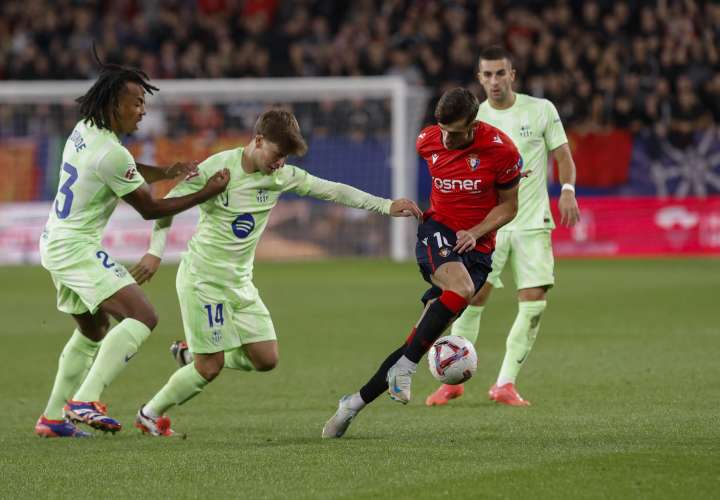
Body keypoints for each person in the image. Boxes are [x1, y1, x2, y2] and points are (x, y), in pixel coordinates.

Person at [129, 108, 423, 436]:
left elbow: (333, 190)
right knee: (209, 367)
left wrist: (385, 205)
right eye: (276, 154)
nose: (279, 163)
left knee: (266, 359)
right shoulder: (216, 167)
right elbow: (166, 207)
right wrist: (155, 253)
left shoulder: (282, 177)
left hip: (239, 282)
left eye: (284, 158)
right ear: (257, 140)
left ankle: (191, 352)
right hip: (203, 280)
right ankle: (149, 413)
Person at [34, 52, 230, 438]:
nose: (142, 110)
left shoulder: (86, 131)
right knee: (144, 317)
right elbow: (150, 207)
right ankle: (85, 399)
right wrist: (208, 191)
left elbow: (125, 171)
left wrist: (165, 172)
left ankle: (53, 418)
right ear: (113, 104)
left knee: (94, 332)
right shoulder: (113, 152)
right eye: (136, 102)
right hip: (75, 247)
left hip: (54, 241)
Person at [322, 87, 522, 439]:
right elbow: (438, 148)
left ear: (474, 124)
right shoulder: (427, 141)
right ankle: (407, 368)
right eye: (442, 128)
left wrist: (476, 231)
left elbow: (509, 207)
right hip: (437, 232)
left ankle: (352, 404)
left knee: (419, 339)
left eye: (456, 131)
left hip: (477, 249)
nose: (446, 138)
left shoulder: (501, 150)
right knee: (458, 292)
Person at [426, 45, 580, 408]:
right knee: (471, 298)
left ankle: (505, 383)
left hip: (531, 223)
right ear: (479, 79)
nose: (494, 81)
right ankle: (452, 380)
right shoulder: (472, 120)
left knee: (534, 302)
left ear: (512, 75)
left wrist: (568, 190)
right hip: (488, 226)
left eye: (500, 73)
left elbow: (562, 155)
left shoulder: (541, 110)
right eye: (487, 75)